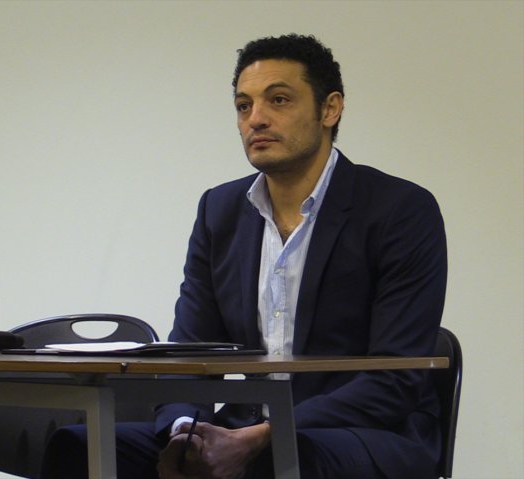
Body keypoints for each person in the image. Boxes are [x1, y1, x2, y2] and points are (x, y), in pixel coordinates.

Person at [41, 33, 447, 479]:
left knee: (280, 458)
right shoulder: (220, 210)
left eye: (278, 100)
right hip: (242, 428)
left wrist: (264, 436)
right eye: (243, 105)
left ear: (330, 109)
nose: (256, 119)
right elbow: (188, 353)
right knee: (79, 447)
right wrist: (186, 433)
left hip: (365, 435)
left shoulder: (399, 210)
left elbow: (396, 378)